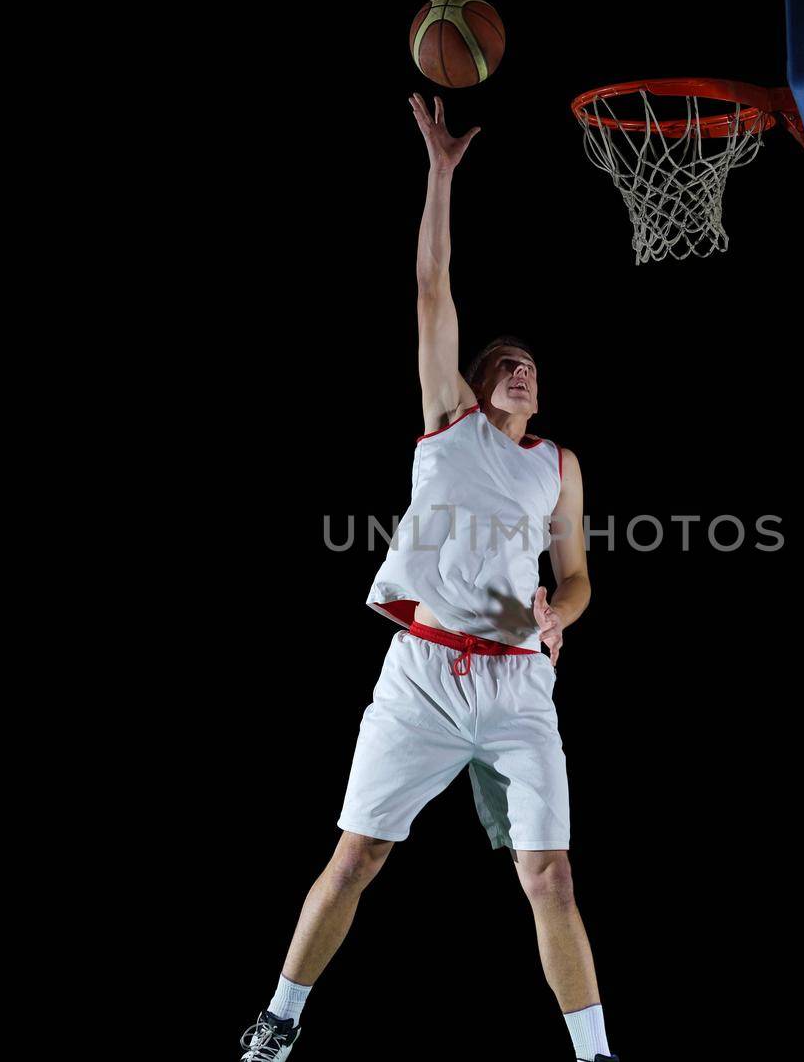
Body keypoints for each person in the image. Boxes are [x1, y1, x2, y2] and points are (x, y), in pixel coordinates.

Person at [238, 94, 616, 1062]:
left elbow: (577, 579)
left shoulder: (557, 466)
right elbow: (430, 286)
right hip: (420, 677)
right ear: (479, 381)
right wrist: (441, 175)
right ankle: (279, 1019)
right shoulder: (448, 425)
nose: (524, 371)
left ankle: (594, 1053)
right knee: (357, 854)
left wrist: (554, 611)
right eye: (509, 363)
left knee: (551, 877)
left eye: (534, 366)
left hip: (517, 683)